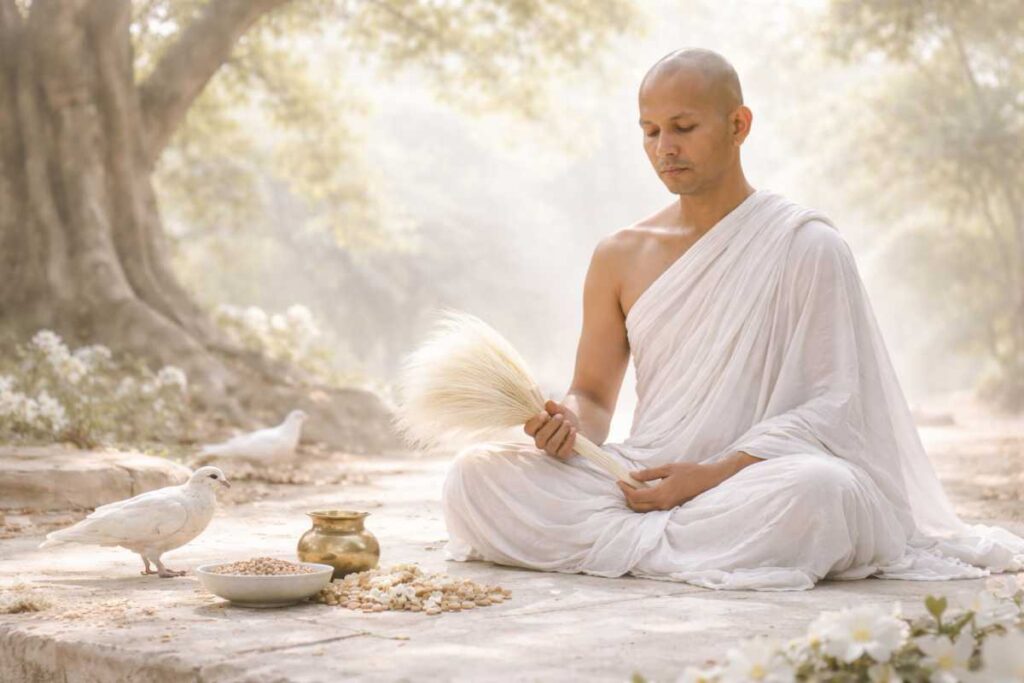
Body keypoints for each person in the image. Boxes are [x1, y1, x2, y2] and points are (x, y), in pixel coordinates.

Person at [439, 47, 1024, 590]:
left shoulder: (807, 245)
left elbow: (836, 407)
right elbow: (593, 396)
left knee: (823, 492)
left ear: (739, 125)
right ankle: (688, 550)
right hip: (646, 478)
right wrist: (569, 425)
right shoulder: (619, 254)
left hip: (750, 481)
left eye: (684, 128)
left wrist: (710, 476)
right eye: (650, 131)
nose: (665, 147)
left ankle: (637, 549)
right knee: (474, 477)